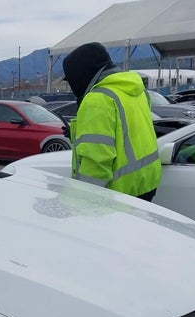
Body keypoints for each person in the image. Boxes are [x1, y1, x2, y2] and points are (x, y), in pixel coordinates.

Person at [62, 42, 161, 202]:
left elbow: (97, 162)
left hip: (118, 194)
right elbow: (124, 131)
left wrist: (82, 202)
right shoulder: (134, 89)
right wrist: (76, 131)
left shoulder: (97, 99)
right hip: (146, 182)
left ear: (81, 74)